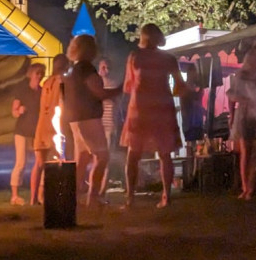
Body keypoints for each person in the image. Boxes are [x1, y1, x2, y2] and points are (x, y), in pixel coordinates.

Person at [121, 24, 187, 209]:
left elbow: (128, 86)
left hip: (141, 109)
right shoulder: (167, 58)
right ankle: (165, 195)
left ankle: (131, 198)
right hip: (160, 110)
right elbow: (180, 85)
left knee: (135, 154)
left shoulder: (135, 57)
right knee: (163, 153)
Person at [64, 35, 122, 207]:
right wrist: (120, 89)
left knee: (82, 158)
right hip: (89, 118)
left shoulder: (73, 70)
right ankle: (93, 196)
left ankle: (72, 198)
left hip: (75, 119)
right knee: (102, 156)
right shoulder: (86, 69)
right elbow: (99, 92)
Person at [228, 46, 256, 200]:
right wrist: (232, 115)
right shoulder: (242, 74)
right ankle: (245, 187)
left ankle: (251, 185)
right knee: (246, 150)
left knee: (255, 151)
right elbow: (232, 96)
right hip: (245, 114)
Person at [32, 55, 71, 205]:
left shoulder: (46, 82)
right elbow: (62, 103)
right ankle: (47, 196)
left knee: (39, 164)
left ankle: (34, 198)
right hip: (55, 127)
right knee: (54, 163)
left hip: (42, 125)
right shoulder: (62, 82)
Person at [9, 63, 45, 205]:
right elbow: (14, 111)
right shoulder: (23, 91)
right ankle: (14, 196)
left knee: (41, 162)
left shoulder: (42, 92)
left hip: (37, 132)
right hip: (22, 132)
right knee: (21, 163)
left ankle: (40, 194)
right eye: (37, 73)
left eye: (41, 73)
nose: (39, 76)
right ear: (31, 74)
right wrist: (19, 111)